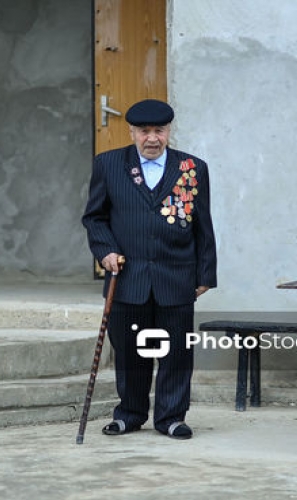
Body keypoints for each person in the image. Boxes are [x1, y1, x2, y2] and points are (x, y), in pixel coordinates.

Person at [82, 99, 217, 440]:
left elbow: (203, 224)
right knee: (130, 351)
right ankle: (129, 414)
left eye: (159, 130)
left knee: (176, 353)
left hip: (176, 276)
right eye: (144, 131)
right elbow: (94, 217)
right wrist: (106, 251)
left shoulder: (193, 168)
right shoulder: (109, 164)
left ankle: (171, 417)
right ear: (132, 132)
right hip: (128, 278)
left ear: (169, 131)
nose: (152, 138)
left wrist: (205, 275)